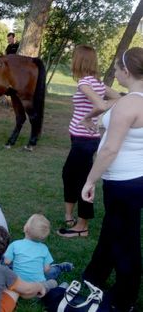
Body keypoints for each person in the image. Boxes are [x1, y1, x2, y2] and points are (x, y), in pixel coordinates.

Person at [80, 47, 143, 312]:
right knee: (111, 230)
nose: (114, 73)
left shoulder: (131, 103)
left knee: (125, 239)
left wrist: (90, 181)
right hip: (136, 177)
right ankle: (94, 276)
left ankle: (124, 298)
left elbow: (109, 150)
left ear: (127, 71)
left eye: (117, 69)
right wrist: (99, 123)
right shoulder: (132, 99)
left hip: (124, 182)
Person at [58, 45, 120, 238]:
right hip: (83, 139)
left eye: (73, 57)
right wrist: (94, 113)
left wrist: (88, 117)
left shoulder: (85, 83)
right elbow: (118, 98)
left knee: (83, 180)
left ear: (79, 60)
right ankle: (69, 217)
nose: (71, 61)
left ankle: (82, 227)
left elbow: (101, 104)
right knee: (70, 175)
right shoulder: (98, 83)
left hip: (84, 140)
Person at [4, 214, 72, 289]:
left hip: (18, 284)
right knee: (50, 272)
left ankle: (59, 270)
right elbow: (46, 269)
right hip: (38, 285)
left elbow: (7, 261)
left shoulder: (15, 244)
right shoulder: (44, 248)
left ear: (25, 228)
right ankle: (60, 268)